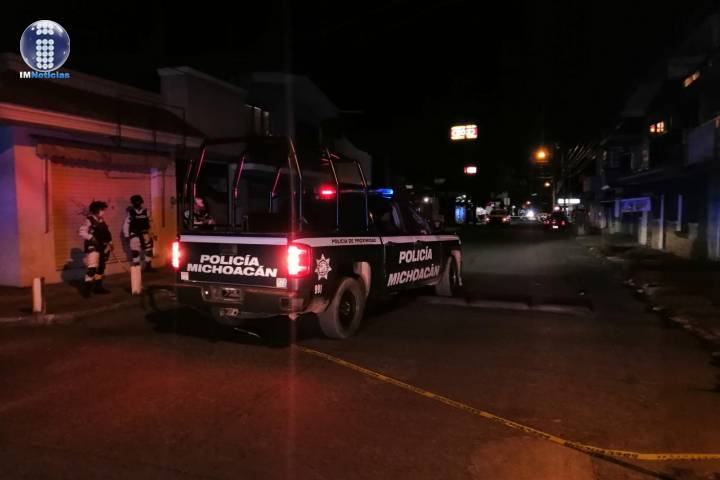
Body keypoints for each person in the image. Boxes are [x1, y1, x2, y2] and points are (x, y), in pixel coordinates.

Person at [78, 200, 113, 297]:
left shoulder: (102, 220)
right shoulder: (89, 220)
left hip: (102, 247)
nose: (103, 212)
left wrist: (110, 242)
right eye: (102, 210)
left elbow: (106, 233)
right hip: (93, 247)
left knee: (101, 267)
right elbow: (81, 232)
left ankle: (98, 287)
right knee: (92, 268)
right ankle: (87, 290)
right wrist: (91, 237)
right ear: (96, 210)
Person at [122, 195, 154, 272]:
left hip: (145, 234)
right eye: (136, 202)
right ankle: (137, 268)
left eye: (138, 201)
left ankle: (148, 267)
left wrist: (153, 233)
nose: (137, 203)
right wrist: (126, 235)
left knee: (149, 250)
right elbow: (126, 225)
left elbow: (151, 223)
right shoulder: (131, 213)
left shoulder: (146, 211)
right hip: (135, 235)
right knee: (135, 252)